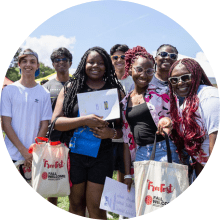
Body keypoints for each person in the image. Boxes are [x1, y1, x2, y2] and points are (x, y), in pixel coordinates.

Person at [51, 46, 124, 219]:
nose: (95, 66)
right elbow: (56, 123)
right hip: (74, 155)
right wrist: (83, 120)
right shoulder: (70, 87)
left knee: (97, 208)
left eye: (100, 63)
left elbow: (123, 131)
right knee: (76, 205)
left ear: (107, 65)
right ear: (84, 63)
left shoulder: (115, 91)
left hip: (102, 156)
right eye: (91, 62)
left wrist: (110, 133)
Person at [121, 46, 180, 191]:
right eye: (139, 69)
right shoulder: (124, 103)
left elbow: (179, 118)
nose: (144, 75)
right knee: (145, 201)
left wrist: (170, 123)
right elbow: (126, 140)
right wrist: (128, 174)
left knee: (166, 199)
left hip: (165, 150)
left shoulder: (163, 94)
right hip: (141, 153)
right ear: (129, 70)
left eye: (149, 71)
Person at [1, 49, 52, 173]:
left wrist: (32, 152)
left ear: (37, 66)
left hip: (35, 155)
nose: (28, 64)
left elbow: (44, 124)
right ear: (19, 64)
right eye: (24, 61)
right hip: (11, 154)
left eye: (32, 61)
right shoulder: (9, 90)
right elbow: (5, 124)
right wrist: (24, 151)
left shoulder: (44, 93)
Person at [168, 58, 219, 176]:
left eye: (185, 77)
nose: (180, 82)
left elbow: (215, 142)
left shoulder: (209, 96)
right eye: (174, 80)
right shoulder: (188, 102)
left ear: (196, 75)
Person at [43, 47, 73, 206]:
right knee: (53, 176)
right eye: (57, 60)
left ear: (70, 63)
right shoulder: (46, 87)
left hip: (73, 137)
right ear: (53, 64)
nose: (61, 63)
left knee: (73, 178)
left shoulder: (77, 84)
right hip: (52, 138)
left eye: (64, 60)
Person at [110, 44, 132, 186]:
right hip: (111, 132)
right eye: (115, 57)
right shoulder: (107, 80)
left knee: (125, 171)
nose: (119, 60)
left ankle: (123, 205)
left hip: (129, 132)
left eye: (123, 57)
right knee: (111, 169)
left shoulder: (135, 79)